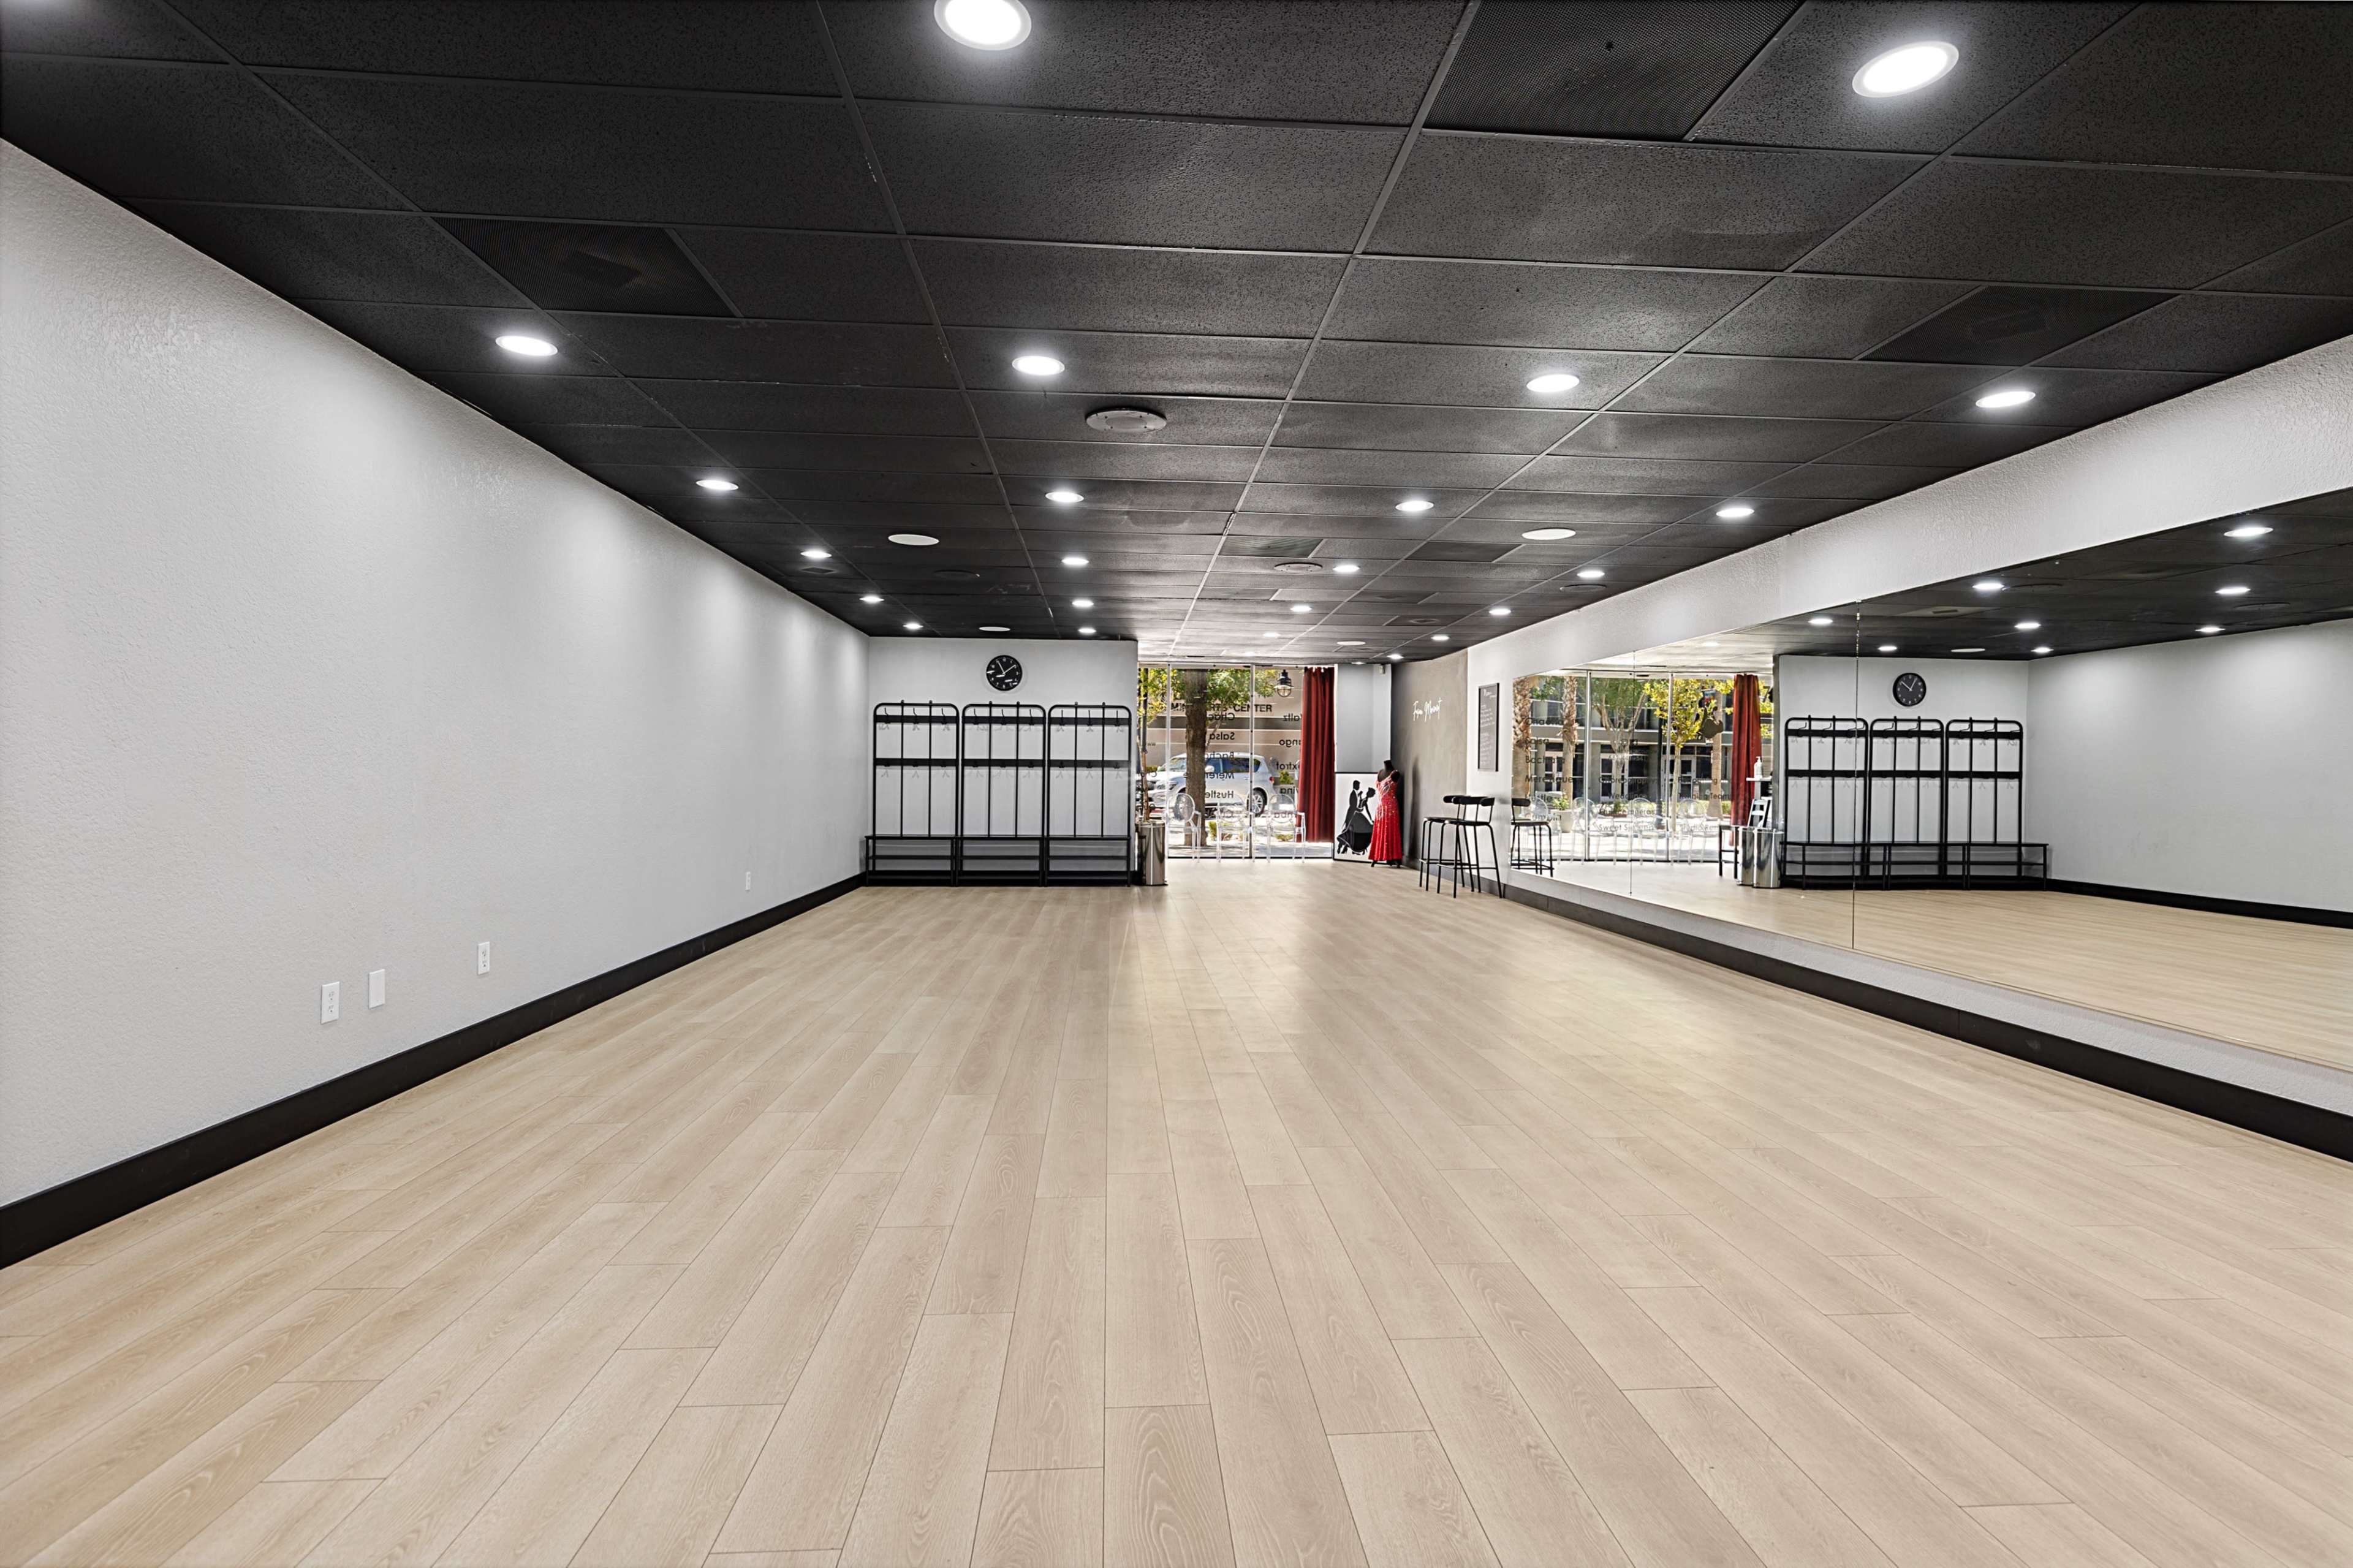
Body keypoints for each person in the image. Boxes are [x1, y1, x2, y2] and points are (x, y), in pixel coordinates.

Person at [1369, 760, 1404, 865]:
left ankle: (1392, 856)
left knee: (1390, 831)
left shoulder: (1395, 774)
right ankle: (1379, 855)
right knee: (1380, 831)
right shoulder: (1380, 773)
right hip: (1380, 808)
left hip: (1390, 809)